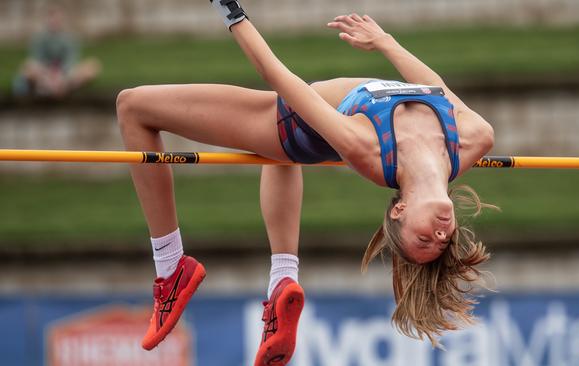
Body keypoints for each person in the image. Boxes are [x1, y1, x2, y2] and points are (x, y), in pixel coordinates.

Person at [116, 1, 495, 364]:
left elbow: (279, 78)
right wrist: (384, 42)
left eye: (423, 239)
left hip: (292, 124)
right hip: (307, 122)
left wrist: (229, 9)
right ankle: (283, 278)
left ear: (400, 211)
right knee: (279, 158)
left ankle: (170, 267)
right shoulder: (473, 139)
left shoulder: (371, 152)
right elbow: (437, 89)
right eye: (441, 241)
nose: (440, 233)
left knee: (133, 107)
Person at [12, 4, 101, 99]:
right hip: (44, 74)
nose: (55, 22)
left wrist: (60, 75)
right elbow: (37, 60)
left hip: (65, 74)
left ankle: (52, 88)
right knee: (29, 66)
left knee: (93, 66)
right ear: (47, 20)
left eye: (58, 19)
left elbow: (71, 61)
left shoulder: (70, 38)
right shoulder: (39, 38)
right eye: (52, 19)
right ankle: (58, 88)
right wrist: (49, 75)